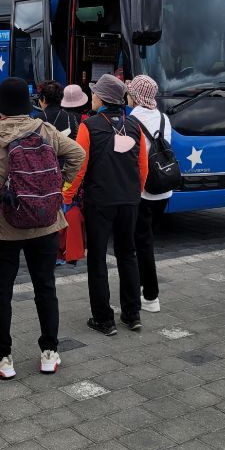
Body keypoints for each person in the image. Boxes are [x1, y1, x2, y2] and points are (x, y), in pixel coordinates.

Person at [0, 77, 85, 379]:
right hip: (45, 222)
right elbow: (78, 154)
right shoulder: (45, 129)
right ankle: (49, 353)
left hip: (5, 224)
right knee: (45, 287)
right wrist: (58, 188)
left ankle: (2, 358)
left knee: (2, 291)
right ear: (28, 106)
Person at [63, 73, 148, 336]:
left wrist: (66, 196)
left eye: (94, 93)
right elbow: (143, 167)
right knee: (128, 254)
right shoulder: (134, 125)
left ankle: (103, 319)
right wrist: (135, 192)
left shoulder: (89, 126)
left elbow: (79, 166)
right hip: (129, 200)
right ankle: (132, 314)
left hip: (100, 200)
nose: (92, 97)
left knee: (98, 258)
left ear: (102, 98)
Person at [127, 75, 171, 313]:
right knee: (146, 240)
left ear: (135, 96)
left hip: (143, 191)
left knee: (141, 244)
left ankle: (150, 296)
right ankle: (143, 291)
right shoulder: (164, 118)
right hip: (164, 188)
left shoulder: (132, 120)